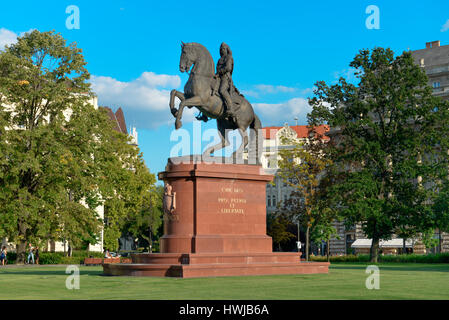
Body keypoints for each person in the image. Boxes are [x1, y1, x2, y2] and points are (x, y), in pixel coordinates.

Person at [216, 42, 236, 123]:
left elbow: (228, 68)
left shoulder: (229, 57)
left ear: (227, 49)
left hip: (226, 77)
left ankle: (231, 108)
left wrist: (220, 72)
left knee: (222, 90)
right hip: (218, 77)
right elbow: (217, 68)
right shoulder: (219, 59)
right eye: (220, 49)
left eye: (223, 49)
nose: (221, 50)